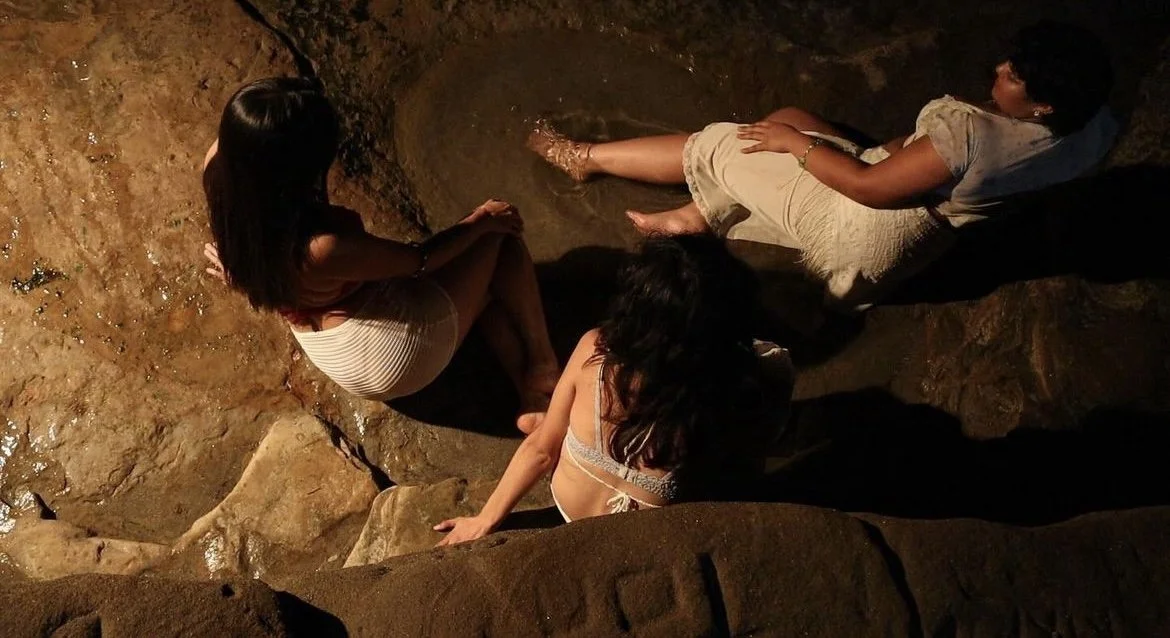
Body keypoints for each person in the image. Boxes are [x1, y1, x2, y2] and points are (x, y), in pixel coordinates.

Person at [527, 21, 1118, 309]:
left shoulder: (972, 137)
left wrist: (800, 147)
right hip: (921, 242)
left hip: (859, 233)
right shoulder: (1095, 128)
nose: (999, 70)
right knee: (787, 113)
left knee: (724, 141)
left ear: (1043, 104)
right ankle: (697, 215)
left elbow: (865, 187)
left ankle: (583, 159)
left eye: (1013, 77)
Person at [201, 77, 558, 431]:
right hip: (386, 357)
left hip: (327, 344)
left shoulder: (221, 171)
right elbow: (420, 261)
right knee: (500, 240)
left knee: (488, 289)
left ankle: (530, 396)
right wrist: (478, 221)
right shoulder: (321, 246)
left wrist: (239, 274)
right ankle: (543, 363)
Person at [434, 234, 794, 545]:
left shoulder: (595, 348)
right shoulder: (719, 391)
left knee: (548, 427)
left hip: (571, 503)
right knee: (776, 364)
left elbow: (542, 450)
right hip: (641, 532)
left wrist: (484, 519)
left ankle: (553, 412)